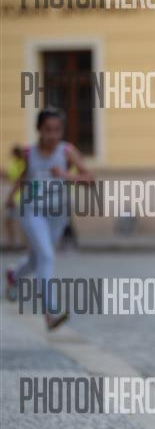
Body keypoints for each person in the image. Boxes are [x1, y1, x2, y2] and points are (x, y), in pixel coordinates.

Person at [4, 108, 93, 330]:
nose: (52, 135)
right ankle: (50, 312)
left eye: (57, 130)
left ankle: (14, 275)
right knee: (46, 255)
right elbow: (23, 177)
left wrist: (65, 175)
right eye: (48, 130)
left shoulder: (67, 152)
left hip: (57, 214)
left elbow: (90, 179)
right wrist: (11, 198)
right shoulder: (29, 153)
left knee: (38, 259)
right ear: (39, 130)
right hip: (31, 210)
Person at [4, 145, 25, 249]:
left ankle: (21, 243)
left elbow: (20, 181)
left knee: (21, 222)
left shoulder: (25, 164)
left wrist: (10, 197)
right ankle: (12, 242)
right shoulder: (16, 163)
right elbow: (10, 176)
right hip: (16, 197)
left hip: (20, 198)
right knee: (9, 220)